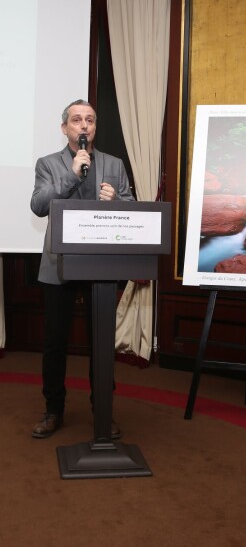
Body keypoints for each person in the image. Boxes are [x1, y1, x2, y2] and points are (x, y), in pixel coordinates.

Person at [30, 99, 134, 439]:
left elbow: (133, 207)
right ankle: (53, 410)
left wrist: (118, 202)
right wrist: (72, 174)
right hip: (59, 264)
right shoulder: (48, 164)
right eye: (77, 120)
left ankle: (102, 409)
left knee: (101, 343)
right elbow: (39, 205)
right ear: (65, 128)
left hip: (100, 264)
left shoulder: (114, 164)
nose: (84, 125)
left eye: (90, 119)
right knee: (55, 342)